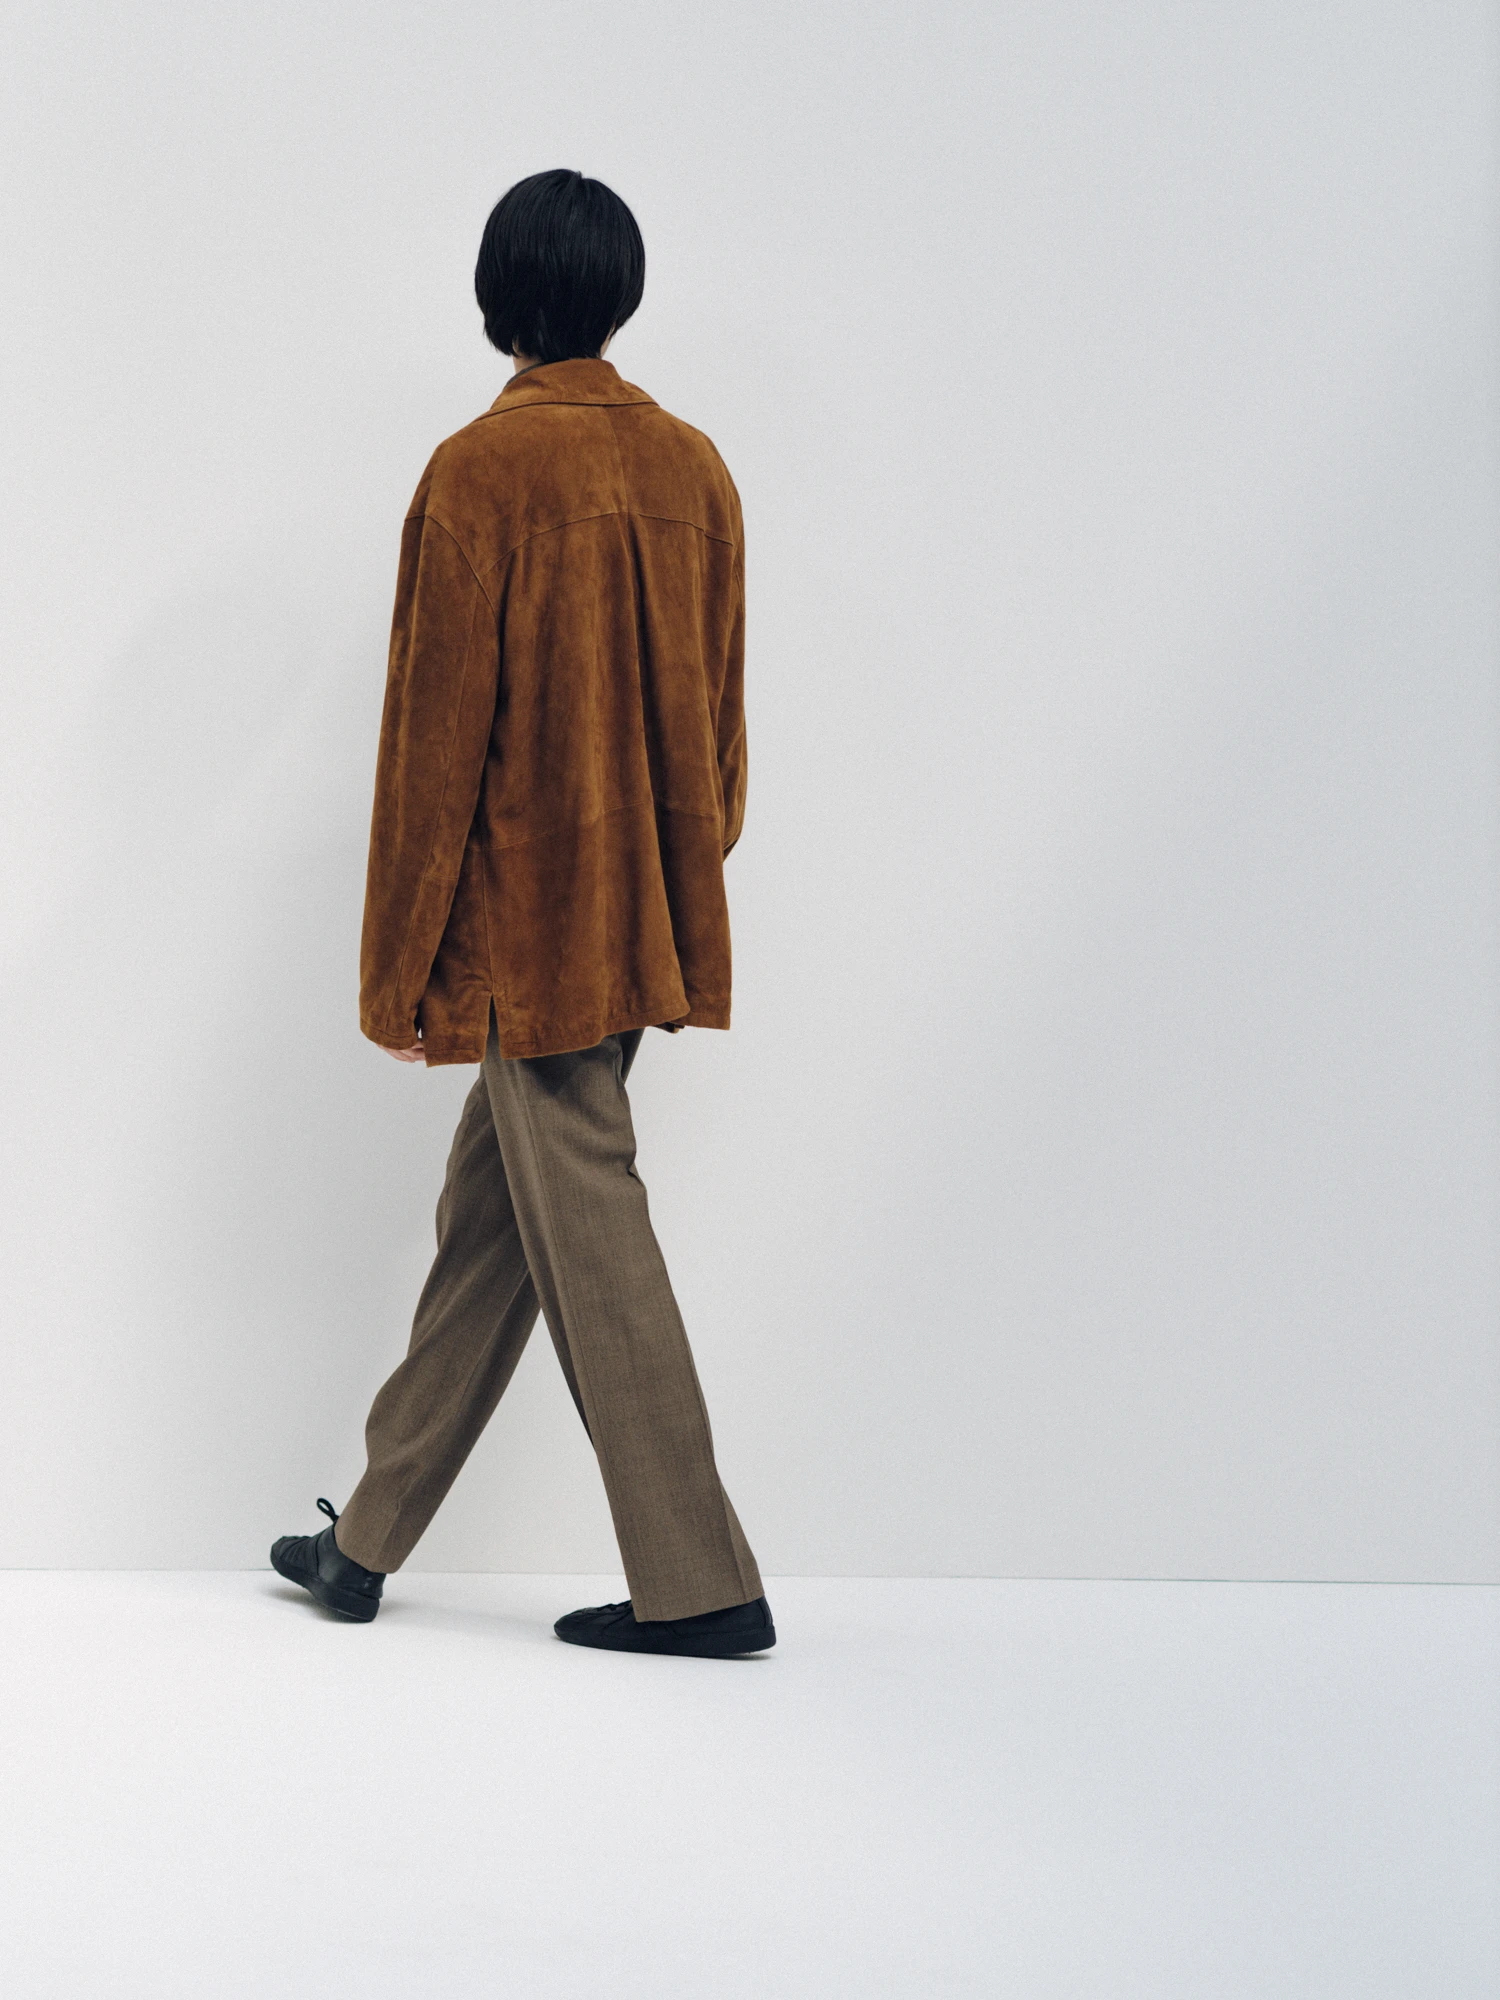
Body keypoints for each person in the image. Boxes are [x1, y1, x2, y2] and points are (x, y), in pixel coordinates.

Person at [270, 169, 773, 1660]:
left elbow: (431, 761)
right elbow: (724, 742)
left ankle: (701, 1581)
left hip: (524, 934)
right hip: (644, 921)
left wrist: (401, 975)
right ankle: (366, 1541)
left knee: (589, 1229)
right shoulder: (697, 469)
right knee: (492, 1223)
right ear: (619, 295)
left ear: (500, 298)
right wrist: (669, 887)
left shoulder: (479, 473)